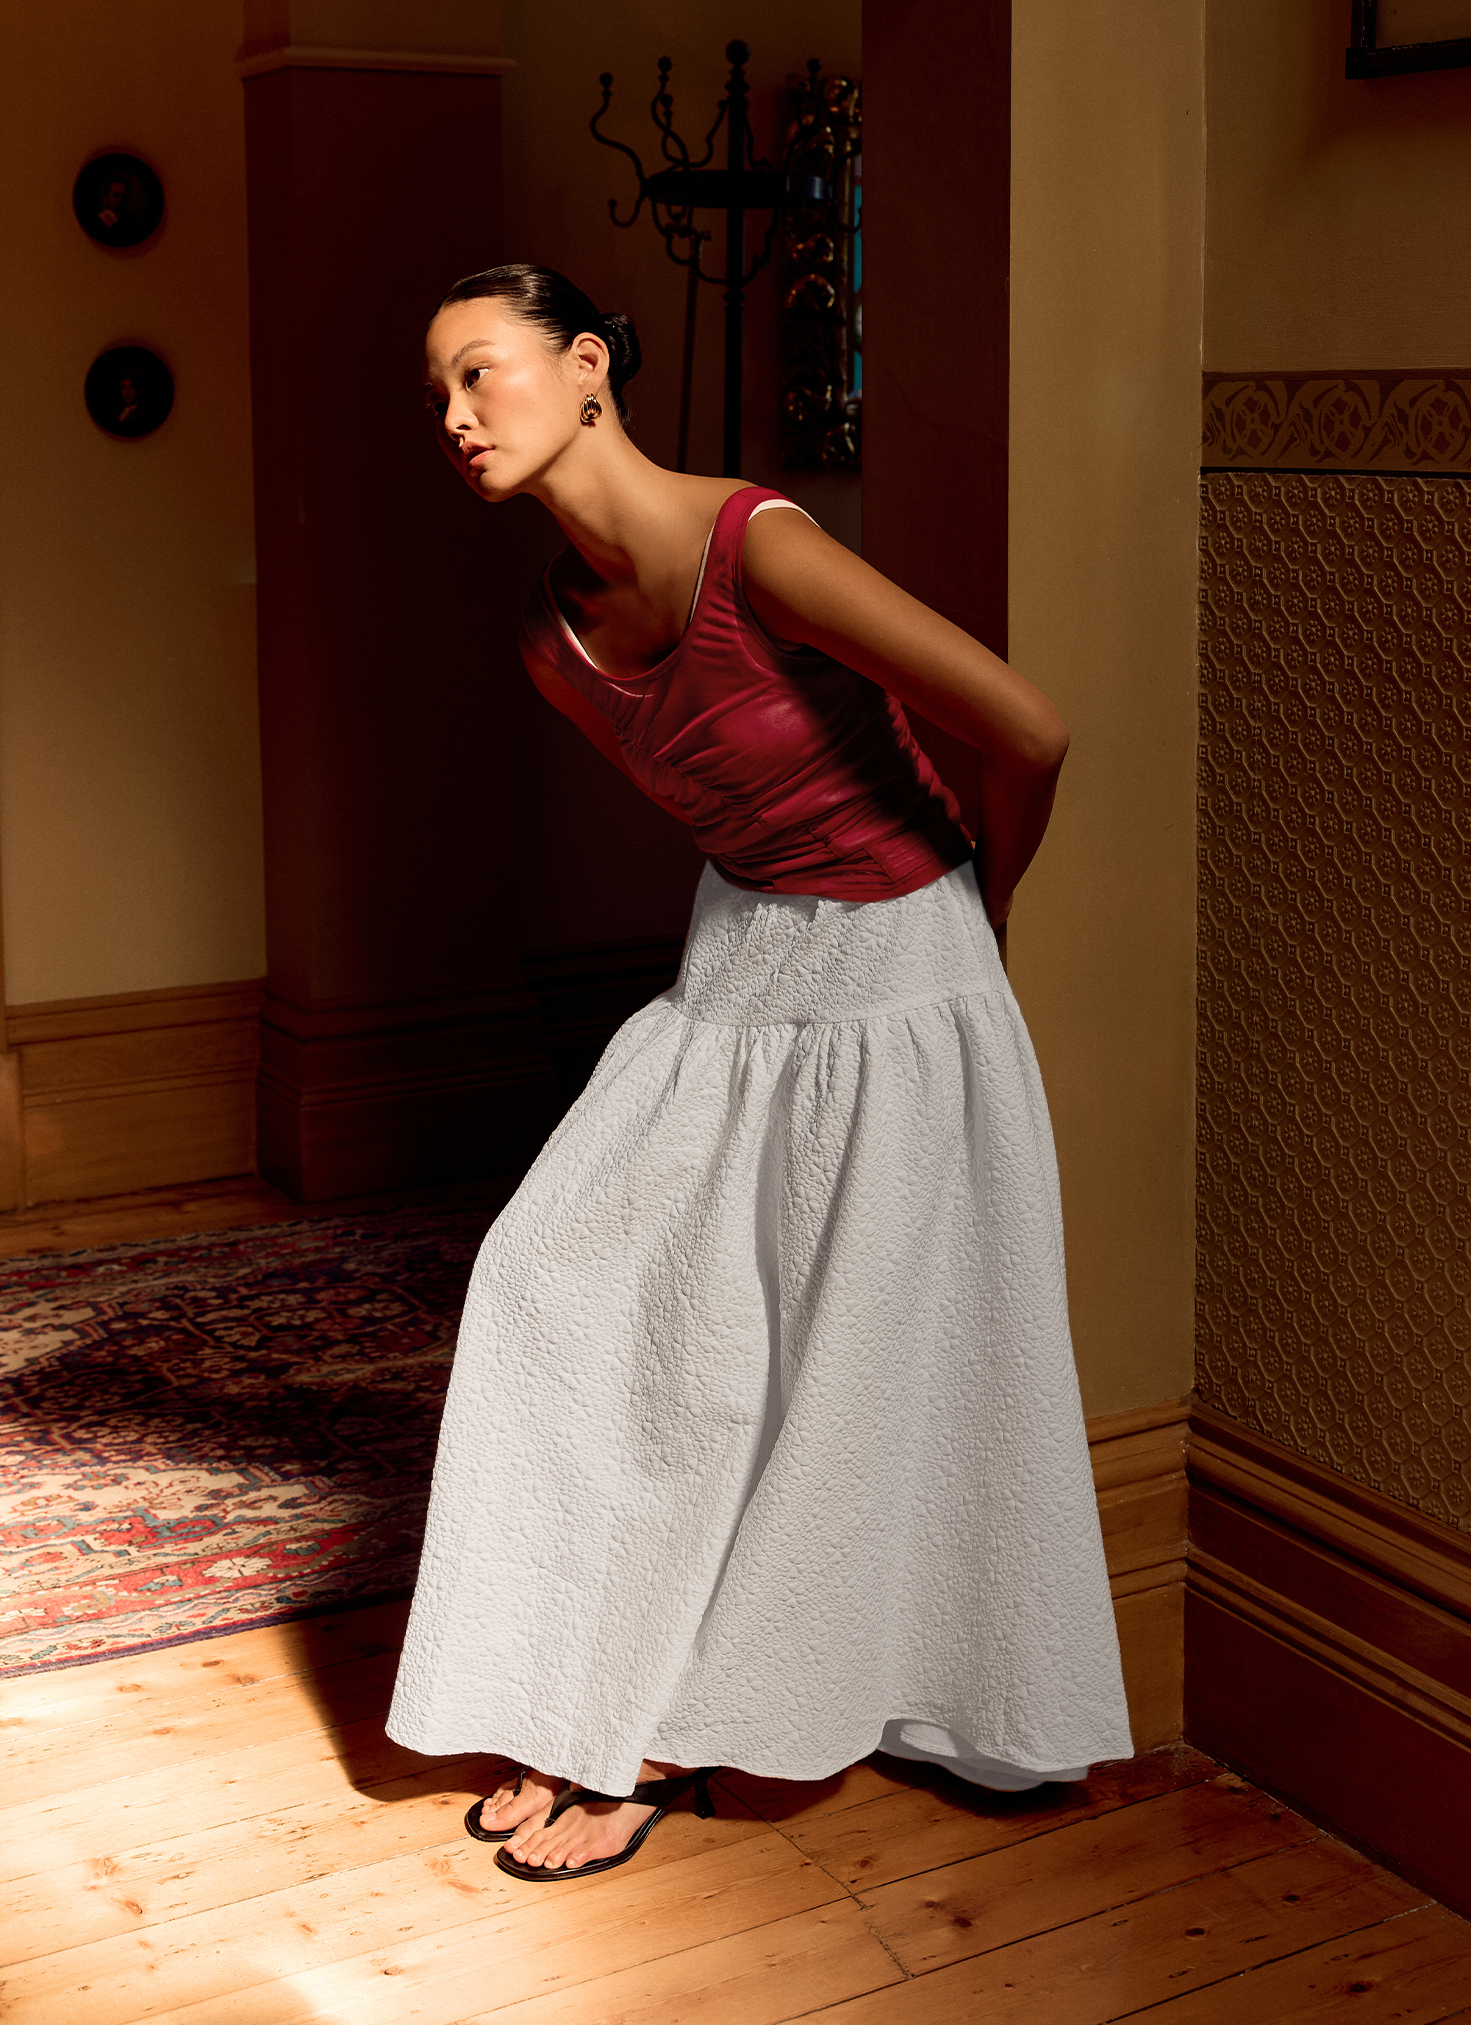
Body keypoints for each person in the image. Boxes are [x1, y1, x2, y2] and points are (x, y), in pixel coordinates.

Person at [385, 263, 1131, 1882]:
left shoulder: (758, 546)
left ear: (589, 366)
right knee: (560, 1284)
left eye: (479, 372)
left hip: (902, 972)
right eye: (433, 392)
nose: (452, 415)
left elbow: (1028, 730)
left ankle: (675, 1735)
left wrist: (979, 920)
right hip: (741, 965)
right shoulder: (550, 640)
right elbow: (737, 815)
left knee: (836, 1370)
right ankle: (574, 1681)